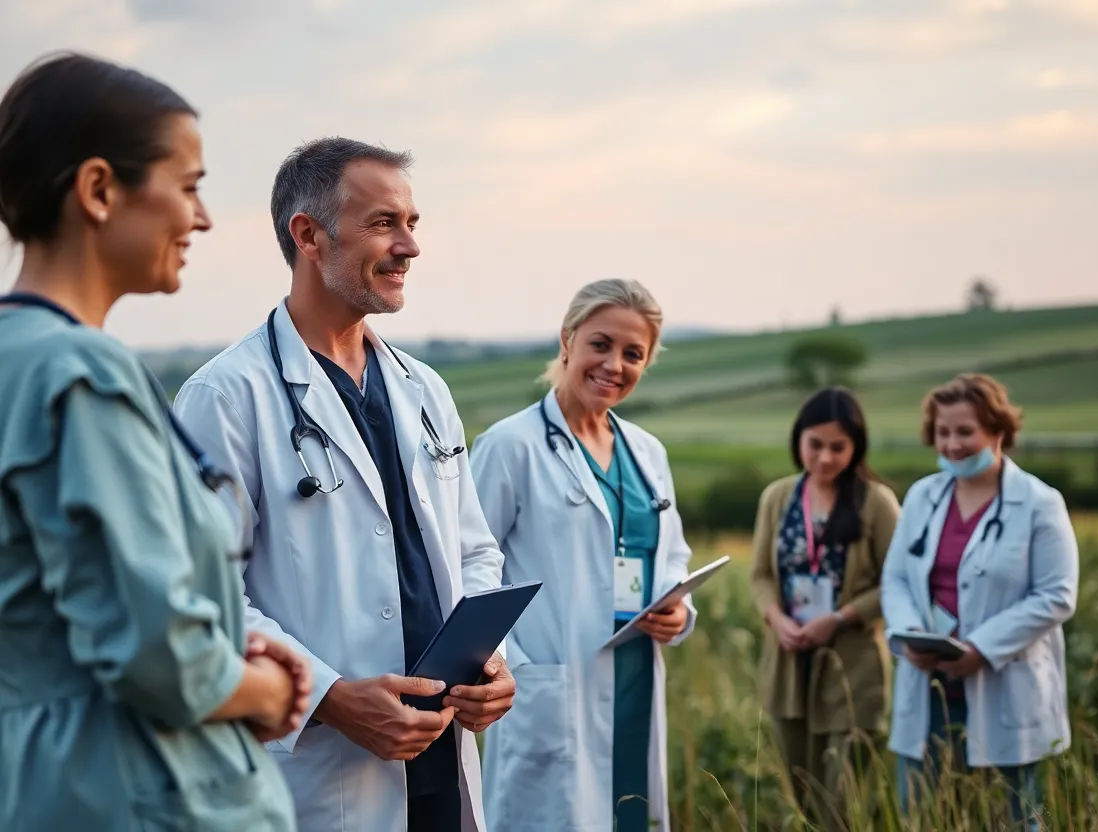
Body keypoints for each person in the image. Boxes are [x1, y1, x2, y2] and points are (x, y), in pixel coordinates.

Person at [0, 52, 307, 830]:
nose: (201, 218)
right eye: (190, 186)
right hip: (134, 788)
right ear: (100, 189)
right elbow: (158, 653)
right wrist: (270, 689)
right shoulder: (81, 374)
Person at [171, 137, 513, 831]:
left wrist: (489, 661)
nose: (410, 246)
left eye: (413, 224)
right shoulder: (226, 397)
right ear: (308, 235)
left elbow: (475, 552)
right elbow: (205, 597)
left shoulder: (424, 388)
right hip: (321, 775)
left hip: (440, 757)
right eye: (385, 223)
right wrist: (330, 697)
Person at [469, 278, 698, 831]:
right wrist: (510, 664)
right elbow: (471, 568)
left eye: (633, 353)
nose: (614, 364)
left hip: (634, 673)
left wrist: (679, 609)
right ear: (567, 339)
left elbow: (671, 556)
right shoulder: (510, 446)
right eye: (601, 344)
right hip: (550, 683)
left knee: (631, 814)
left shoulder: (647, 452)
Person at [880, 374, 1078, 830]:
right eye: (943, 432)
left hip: (1005, 682)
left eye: (965, 432)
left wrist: (981, 649)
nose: (952, 445)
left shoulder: (1039, 504)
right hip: (929, 683)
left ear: (998, 431)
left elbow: (1057, 595)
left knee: (1012, 815)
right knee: (925, 815)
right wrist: (907, 634)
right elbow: (895, 577)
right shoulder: (923, 497)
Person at [749, 387, 900, 829]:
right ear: (798, 440)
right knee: (803, 800)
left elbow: (898, 583)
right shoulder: (777, 497)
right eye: (815, 445)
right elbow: (759, 575)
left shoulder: (877, 502)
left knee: (841, 805)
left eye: (839, 447)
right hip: (788, 661)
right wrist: (776, 620)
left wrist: (838, 618)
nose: (826, 458)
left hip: (851, 667)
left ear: (856, 447)